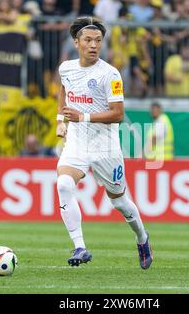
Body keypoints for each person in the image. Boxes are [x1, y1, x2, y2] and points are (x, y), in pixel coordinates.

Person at [56, 17, 152, 269]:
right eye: (88, 40)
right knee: (64, 183)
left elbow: (117, 115)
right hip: (76, 142)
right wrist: (60, 120)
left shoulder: (110, 74)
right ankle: (79, 247)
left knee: (119, 201)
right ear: (76, 42)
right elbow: (63, 91)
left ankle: (142, 237)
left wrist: (81, 116)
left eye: (98, 41)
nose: (93, 45)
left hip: (105, 148)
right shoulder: (66, 68)